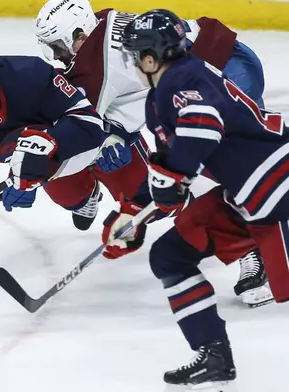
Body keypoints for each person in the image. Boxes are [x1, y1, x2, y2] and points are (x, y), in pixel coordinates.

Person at [34, 0, 271, 307]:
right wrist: (118, 133)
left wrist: (33, 171)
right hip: (222, 62)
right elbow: (132, 90)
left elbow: (84, 128)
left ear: (78, 35)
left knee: (228, 167)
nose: (58, 57)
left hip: (225, 69)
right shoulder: (101, 24)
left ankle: (256, 253)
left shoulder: (93, 66)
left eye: (58, 47)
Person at [109, 9, 289, 386]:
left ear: (149, 57)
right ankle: (214, 355)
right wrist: (133, 212)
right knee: (170, 255)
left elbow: (203, 127)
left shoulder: (184, 77)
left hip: (277, 183)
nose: (129, 63)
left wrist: (175, 177)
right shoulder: (163, 93)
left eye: (132, 55)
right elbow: (169, 163)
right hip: (252, 194)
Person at [0, 38, 109, 240]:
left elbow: (89, 124)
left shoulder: (31, 75)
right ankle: (87, 193)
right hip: (41, 161)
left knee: (132, 184)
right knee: (72, 197)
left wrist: (44, 148)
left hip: (68, 139)